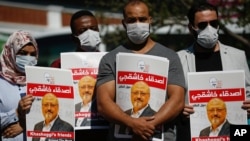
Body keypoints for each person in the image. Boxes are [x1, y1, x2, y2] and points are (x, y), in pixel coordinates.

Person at [96, 0, 186, 141]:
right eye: (132, 20)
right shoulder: (110, 59)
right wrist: (132, 123)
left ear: (150, 20)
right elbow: (103, 103)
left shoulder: (170, 56)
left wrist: (148, 125)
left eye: (142, 19)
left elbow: (177, 100)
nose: (138, 24)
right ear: (124, 23)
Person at [176, 2, 250, 141]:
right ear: (191, 28)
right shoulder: (179, 58)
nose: (209, 29)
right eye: (203, 25)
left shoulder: (237, 55)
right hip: (192, 134)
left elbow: (247, 90)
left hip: (233, 134)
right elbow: (170, 99)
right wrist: (178, 109)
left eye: (214, 23)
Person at [0, 30, 38, 141]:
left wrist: (24, 126)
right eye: (22, 53)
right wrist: (16, 112)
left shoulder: (39, 80)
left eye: (33, 54)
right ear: (11, 52)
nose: (28, 58)